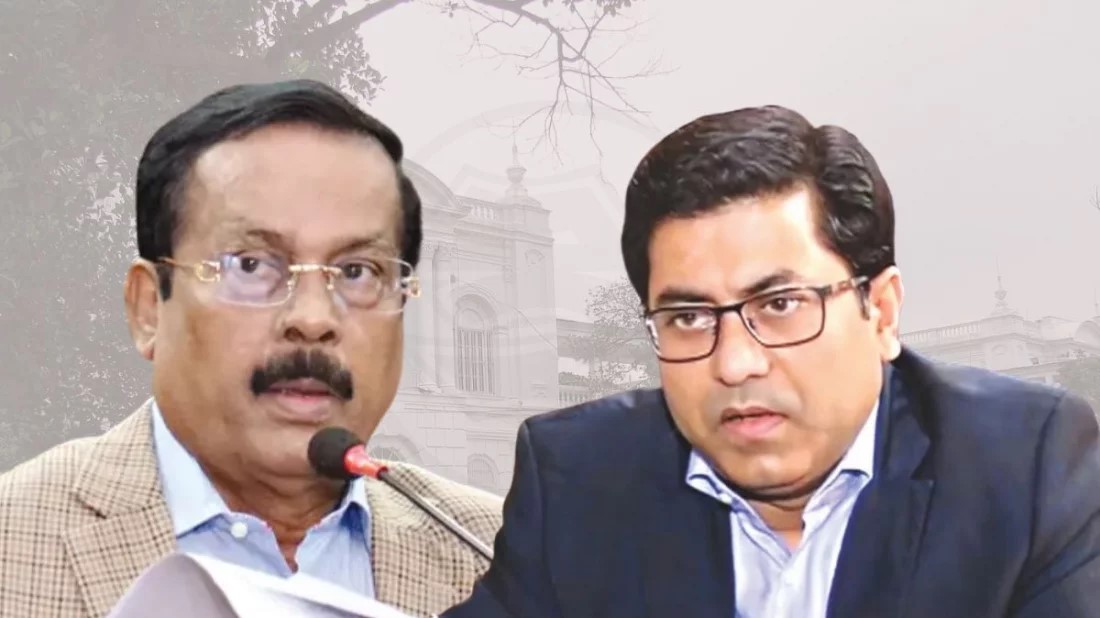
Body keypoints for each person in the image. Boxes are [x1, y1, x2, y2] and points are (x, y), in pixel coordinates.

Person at [443, 105, 1100, 618]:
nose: (734, 363)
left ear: (882, 312)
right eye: (688, 317)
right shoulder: (578, 474)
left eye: (781, 304)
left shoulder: (1027, 465)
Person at [0, 79, 502, 618]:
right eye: (251, 265)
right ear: (149, 309)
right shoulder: (14, 540)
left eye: (358, 272)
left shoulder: (501, 552)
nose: (313, 319)